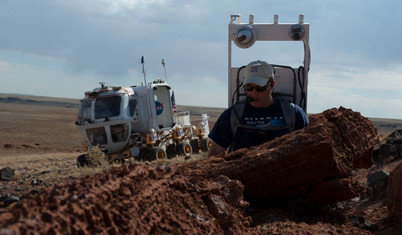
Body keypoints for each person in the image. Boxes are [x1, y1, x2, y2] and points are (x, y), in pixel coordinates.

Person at [208, 60, 309, 156]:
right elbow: (214, 155)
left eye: (260, 88)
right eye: (249, 88)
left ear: (272, 84)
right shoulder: (232, 115)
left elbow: (308, 151)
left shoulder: (293, 114)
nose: (253, 93)